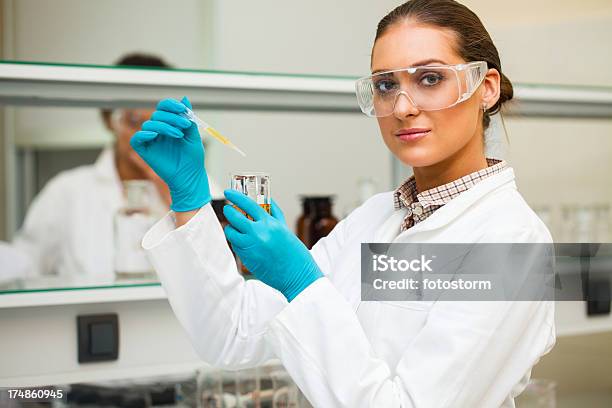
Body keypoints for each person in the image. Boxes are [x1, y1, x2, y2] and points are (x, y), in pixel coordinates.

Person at [133, 1, 555, 406]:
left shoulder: (513, 245)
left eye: (430, 78)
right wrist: (189, 197)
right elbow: (230, 336)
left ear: (486, 89)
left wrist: (301, 284)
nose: (403, 108)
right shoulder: (375, 218)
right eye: (387, 85)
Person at [11, 53, 221, 279]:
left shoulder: (197, 184)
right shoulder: (67, 191)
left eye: (158, 123)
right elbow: (24, 262)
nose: (148, 135)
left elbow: (222, 259)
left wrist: (170, 188)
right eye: (134, 122)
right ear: (109, 121)